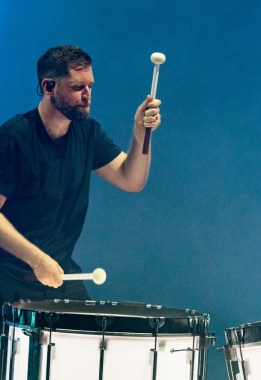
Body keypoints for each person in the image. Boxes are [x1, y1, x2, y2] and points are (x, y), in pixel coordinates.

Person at [0, 45, 161, 305]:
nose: (87, 95)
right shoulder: (13, 138)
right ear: (48, 87)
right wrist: (37, 259)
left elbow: (131, 180)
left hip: (61, 274)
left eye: (90, 86)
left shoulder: (87, 132)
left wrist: (140, 132)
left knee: (94, 328)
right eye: (78, 87)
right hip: (9, 278)